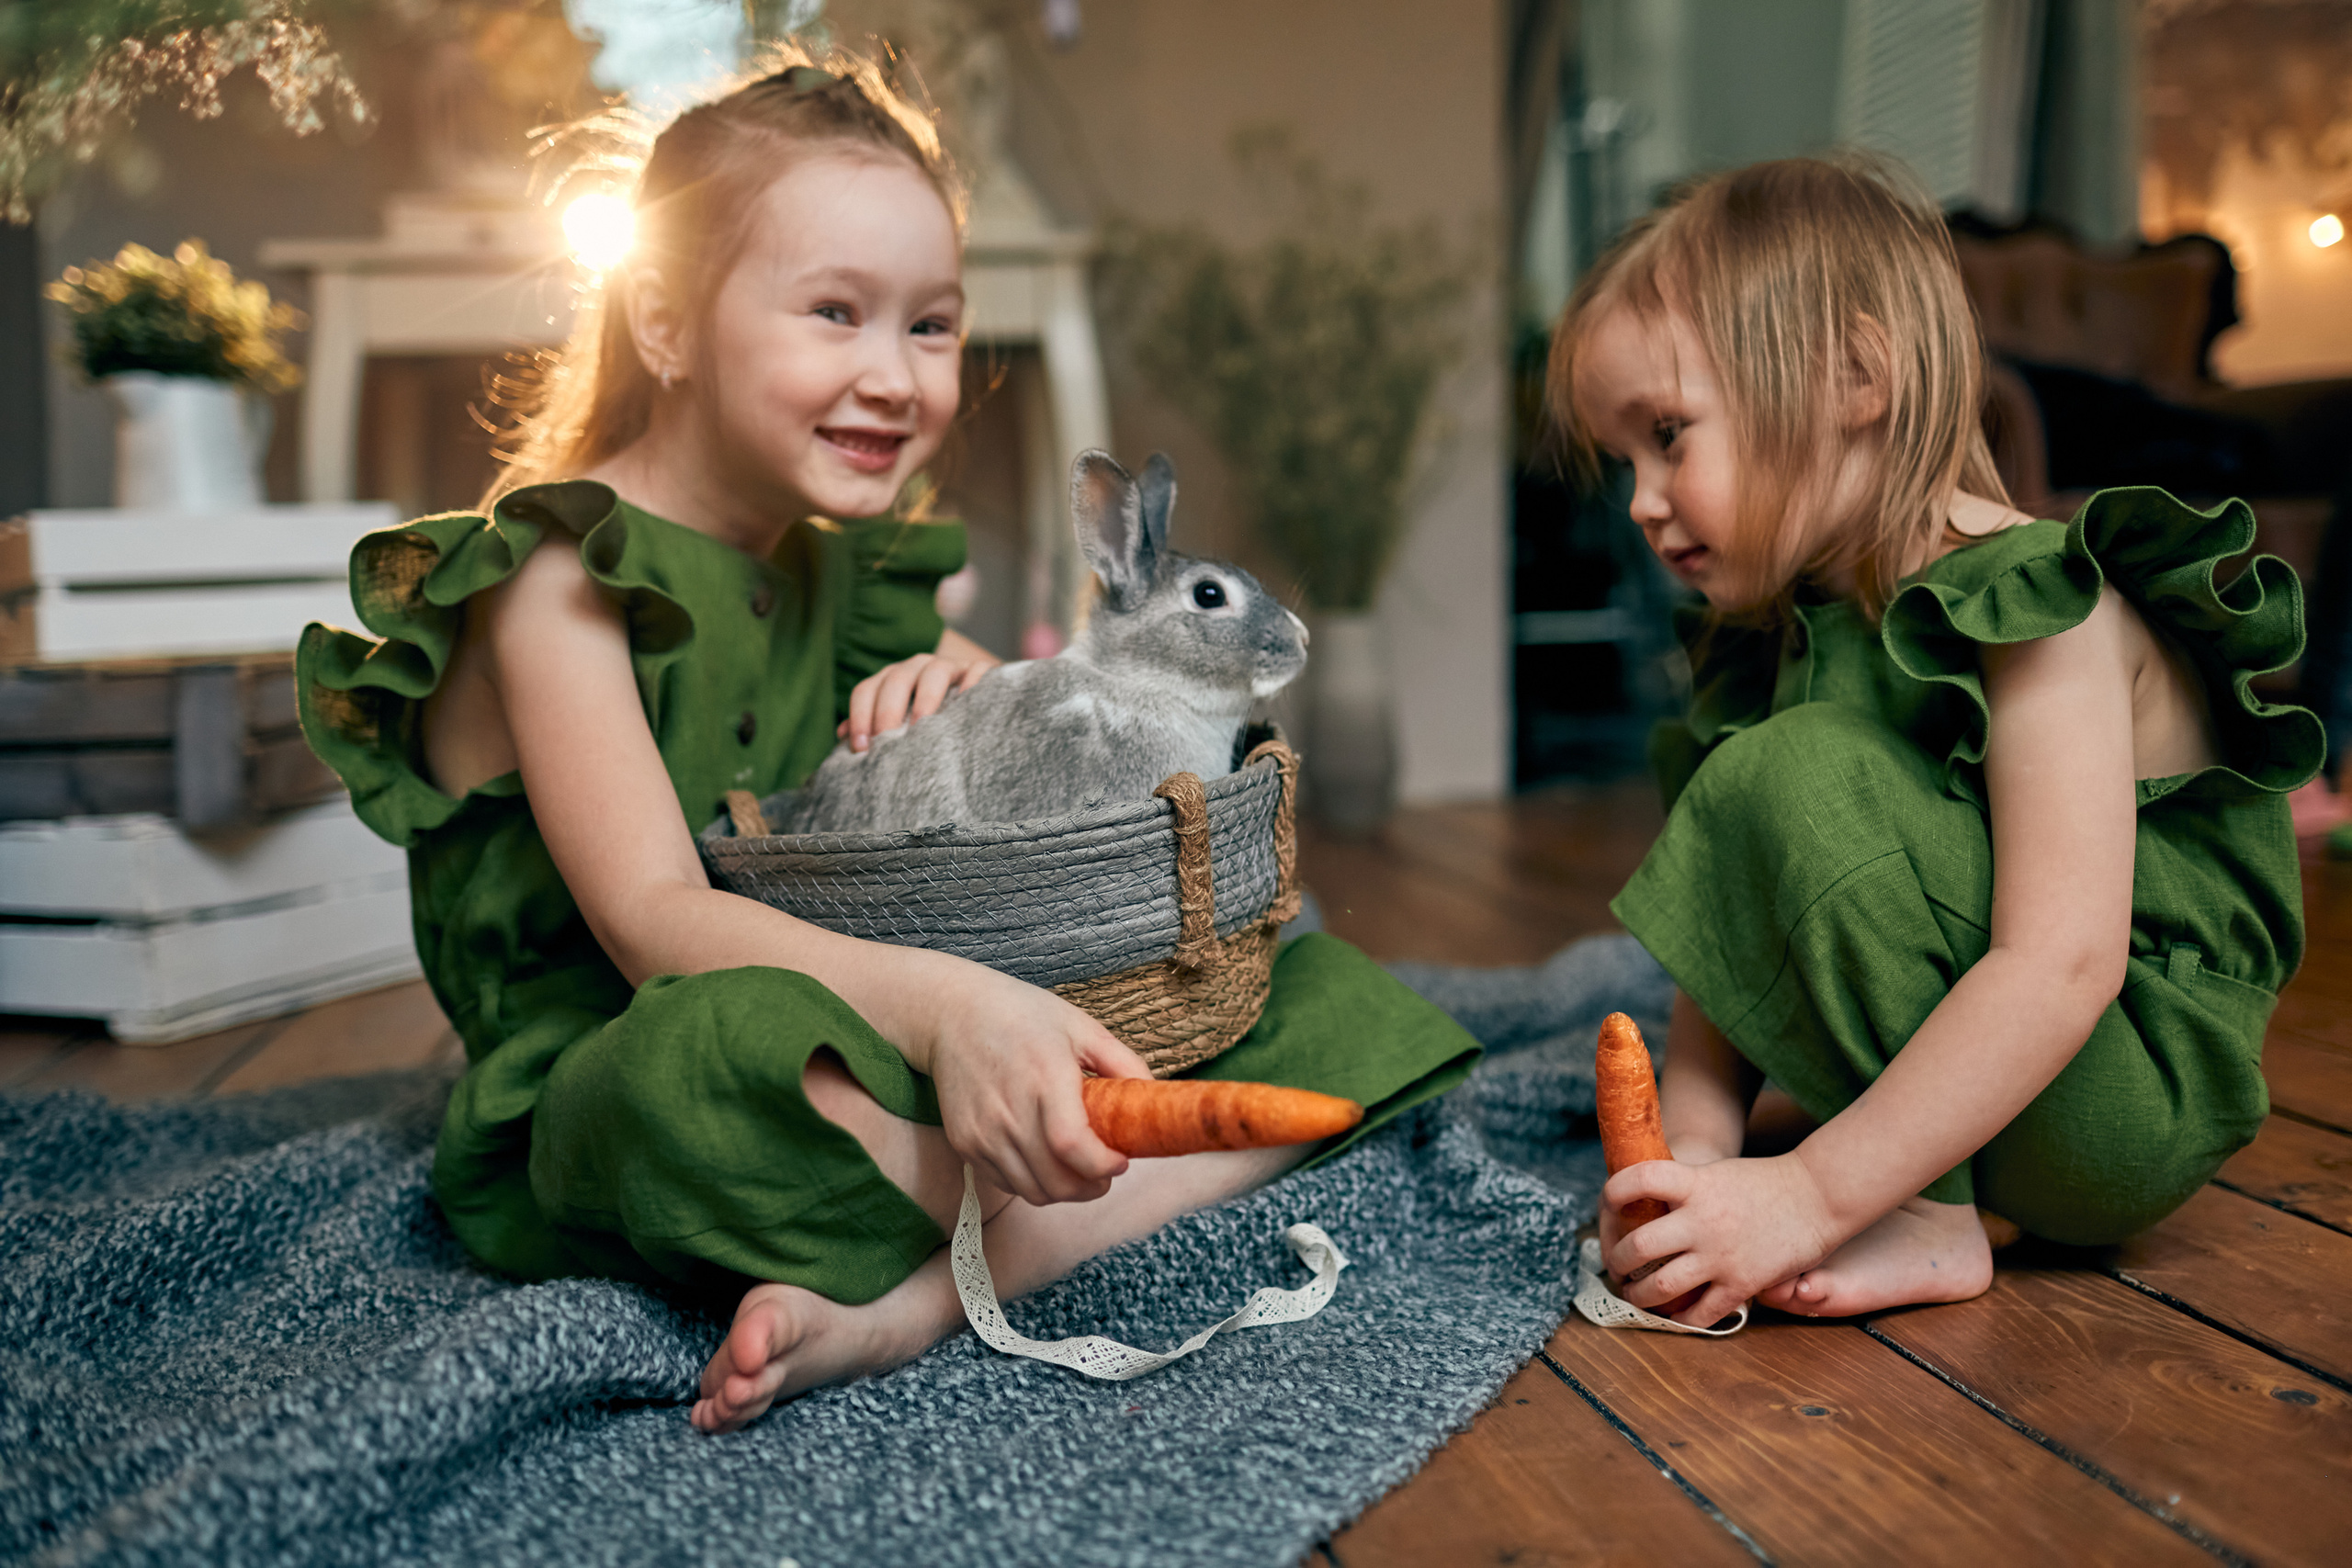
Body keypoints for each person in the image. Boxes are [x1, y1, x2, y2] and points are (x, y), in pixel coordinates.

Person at [297, 47, 1477, 1433]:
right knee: (689, 1069)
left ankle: (917, 1291)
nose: (897, 376)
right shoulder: (556, 575)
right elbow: (651, 918)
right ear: (668, 322)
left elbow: (971, 768)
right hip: (642, 1046)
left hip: (879, 999)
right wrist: (955, 1009)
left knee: (1308, 971)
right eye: (837, 312)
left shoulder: (839, 566)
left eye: (930, 325)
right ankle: (1072, 1184)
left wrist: (962, 684)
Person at [1548, 156, 2321, 1325]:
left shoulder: (2039, 605)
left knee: (1791, 774)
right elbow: (1730, 902)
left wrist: (1809, 1192)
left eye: (1669, 435)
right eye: (1627, 463)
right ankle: (1899, 1176)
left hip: (2117, 1092)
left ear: (1855, 378)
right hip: (1996, 1090)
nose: (1644, 500)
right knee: (1755, 780)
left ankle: (1921, 1212)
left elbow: (2065, 963)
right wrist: (1693, 1159)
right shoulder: (1799, 631)